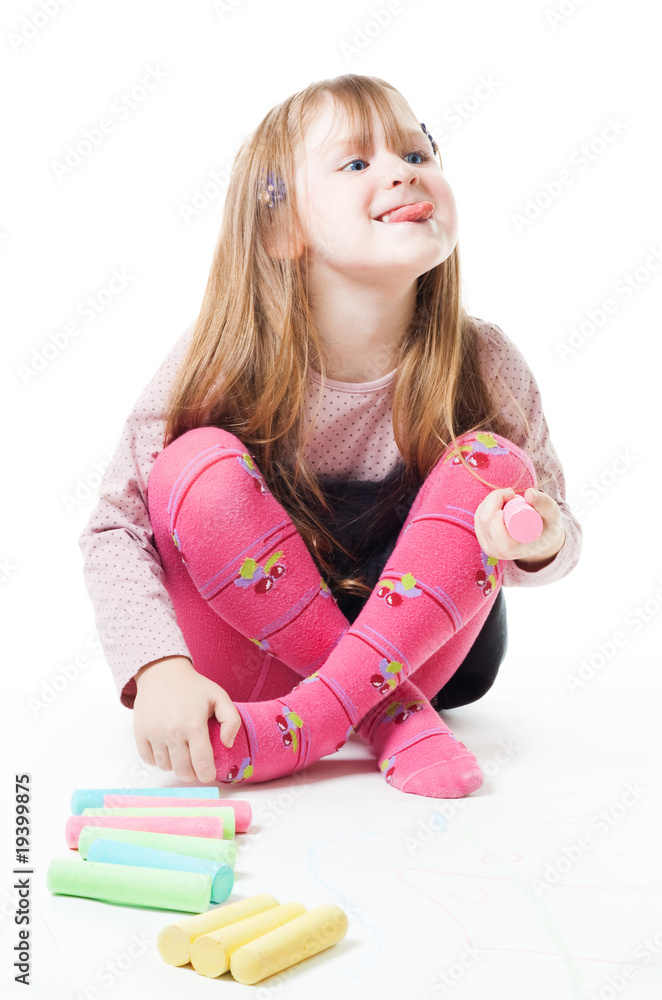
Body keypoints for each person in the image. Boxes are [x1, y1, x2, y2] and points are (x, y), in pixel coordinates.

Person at [79, 73, 582, 800]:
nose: (404, 170)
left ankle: (314, 724)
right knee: (197, 463)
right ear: (283, 230)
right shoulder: (226, 357)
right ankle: (388, 720)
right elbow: (113, 529)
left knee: (494, 465)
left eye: (418, 151)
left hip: (424, 655)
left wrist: (536, 540)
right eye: (356, 163)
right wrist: (158, 668)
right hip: (253, 659)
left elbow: (560, 543)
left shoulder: (484, 362)